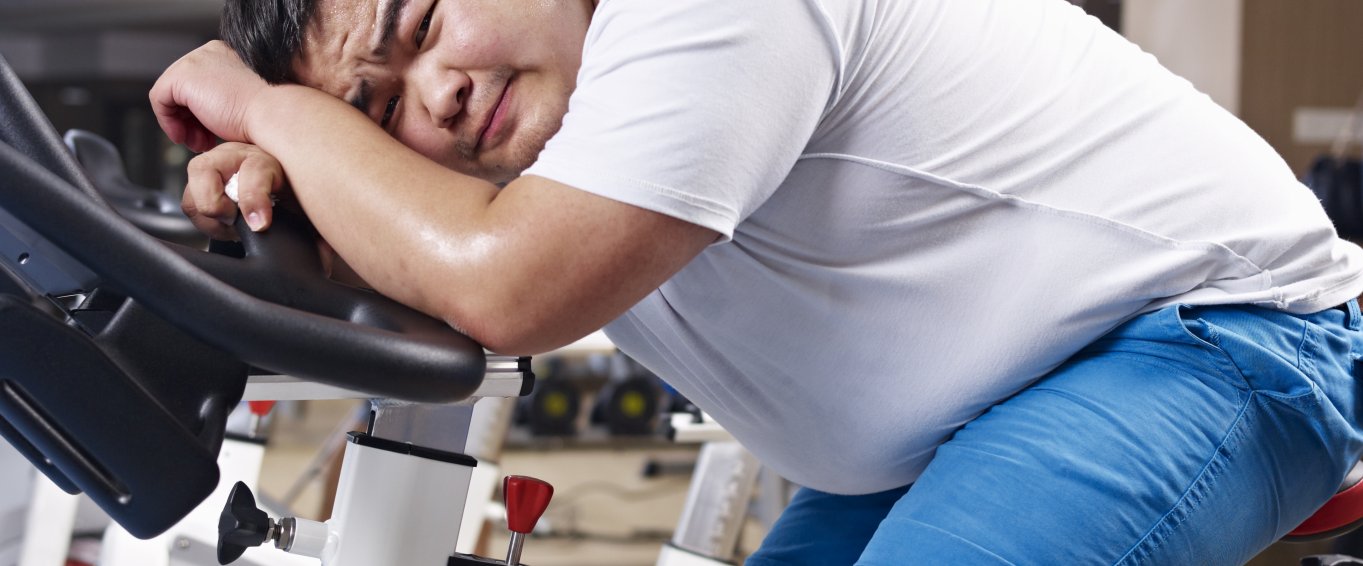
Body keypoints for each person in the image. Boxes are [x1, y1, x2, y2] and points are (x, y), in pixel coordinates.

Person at [150, 0, 1363, 563]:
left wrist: (270, 111)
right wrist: (289, 163)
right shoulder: (518, 150)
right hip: (962, 425)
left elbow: (503, 283)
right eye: (374, 106)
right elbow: (424, 238)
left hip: (1210, 336)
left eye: (424, 20)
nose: (438, 93)